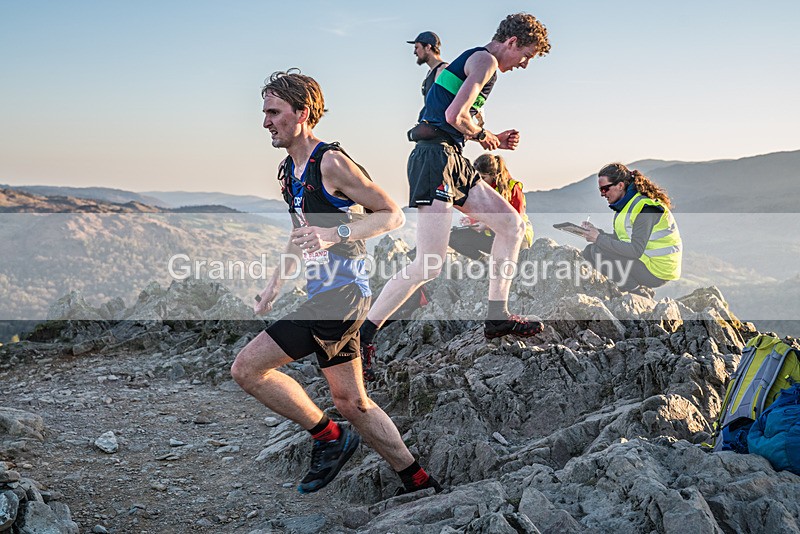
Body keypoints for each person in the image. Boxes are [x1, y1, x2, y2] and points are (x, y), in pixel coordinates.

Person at [231, 70, 441, 495]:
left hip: (342, 296)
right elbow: (300, 233)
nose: (266, 122)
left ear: (302, 113)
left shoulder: (332, 161)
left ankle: (329, 437)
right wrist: (275, 284)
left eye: (274, 112)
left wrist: (335, 234)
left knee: (248, 368)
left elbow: (391, 214)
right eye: (264, 113)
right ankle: (417, 479)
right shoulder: (289, 171)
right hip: (326, 296)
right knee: (353, 402)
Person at [360, 13, 551, 362]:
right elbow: (454, 116)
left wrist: (490, 137)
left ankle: (496, 316)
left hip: (451, 158)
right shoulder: (485, 61)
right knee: (429, 265)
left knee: (512, 225)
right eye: (526, 55)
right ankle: (364, 334)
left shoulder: (476, 61)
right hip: (434, 159)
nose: (524, 65)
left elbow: (456, 117)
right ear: (512, 42)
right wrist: (484, 135)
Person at [580, 162, 682, 296]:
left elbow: (635, 250)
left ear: (620, 185)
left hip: (658, 270)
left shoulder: (646, 209)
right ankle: (631, 287)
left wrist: (599, 239)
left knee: (599, 252)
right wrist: (597, 233)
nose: (602, 194)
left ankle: (636, 292)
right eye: (600, 190)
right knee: (589, 252)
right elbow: (620, 240)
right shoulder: (624, 208)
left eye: (605, 189)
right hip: (645, 261)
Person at [449, 153, 534, 260]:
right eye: (477, 177)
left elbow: (515, 222)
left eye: (483, 177)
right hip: (494, 236)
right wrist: (471, 221)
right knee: (454, 237)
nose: (479, 181)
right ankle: (483, 261)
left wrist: (486, 225)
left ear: (494, 175)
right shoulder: (481, 190)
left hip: (518, 238)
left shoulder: (513, 187)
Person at [407, 31, 449, 121]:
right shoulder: (431, 72)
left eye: (417, 47)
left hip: (440, 129)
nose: (415, 52)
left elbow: (445, 104)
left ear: (428, 47)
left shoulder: (443, 70)